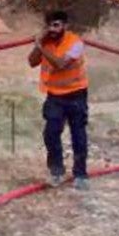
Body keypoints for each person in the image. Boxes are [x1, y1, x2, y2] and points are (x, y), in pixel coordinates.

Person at [26, 10, 90, 189]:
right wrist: (38, 46)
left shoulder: (75, 43)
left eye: (56, 25)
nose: (52, 29)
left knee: (78, 135)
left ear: (65, 26)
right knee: (51, 134)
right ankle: (57, 171)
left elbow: (61, 64)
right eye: (49, 26)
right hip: (54, 96)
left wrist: (40, 46)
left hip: (76, 94)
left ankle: (81, 174)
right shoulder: (46, 43)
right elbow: (31, 62)